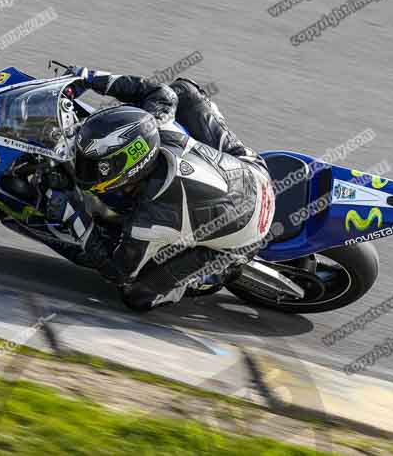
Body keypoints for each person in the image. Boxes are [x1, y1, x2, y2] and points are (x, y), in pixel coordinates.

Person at [66, 68, 275, 311]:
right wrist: (89, 78)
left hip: (246, 235)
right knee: (183, 90)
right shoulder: (155, 124)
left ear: (130, 172)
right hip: (254, 171)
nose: (87, 170)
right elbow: (158, 91)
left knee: (136, 295)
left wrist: (74, 214)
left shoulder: (149, 220)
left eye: (96, 167)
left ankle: (214, 274)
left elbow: (117, 271)